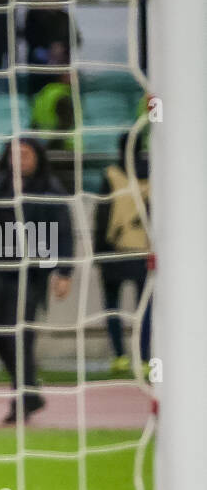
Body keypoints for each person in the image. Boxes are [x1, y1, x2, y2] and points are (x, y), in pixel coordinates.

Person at [0, 138, 74, 423]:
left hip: (31, 273)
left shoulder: (49, 189)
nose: (20, 159)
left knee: (21, 336)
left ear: (38, 157)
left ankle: (22, 400)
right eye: (15, 154)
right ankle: (29, 394)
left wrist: (64, 271)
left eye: (26, 154)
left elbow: (64, 231)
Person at [92, 131, 152, 373]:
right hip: (143, 249)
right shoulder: (152, 176)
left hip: (113, 250)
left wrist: (98, 251)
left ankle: (119, 356)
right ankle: (145, 357)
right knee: (144, 308)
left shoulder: (111, 174)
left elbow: (102, 214)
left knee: (113, 306)